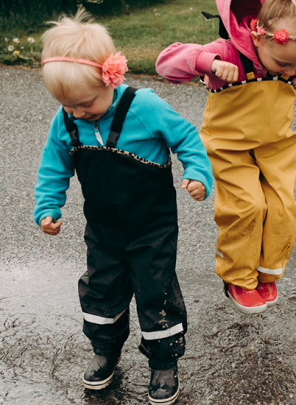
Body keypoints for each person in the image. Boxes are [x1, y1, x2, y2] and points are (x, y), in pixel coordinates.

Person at [34, 8, 213, 404]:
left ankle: (163, 361)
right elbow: (54, 165)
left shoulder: (144, 107)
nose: (78, 113)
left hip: (153, 229)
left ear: (109, 78)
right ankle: (105, 349)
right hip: (103, 229)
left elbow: (187, 138)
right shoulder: (66, 120)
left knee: (156, 293)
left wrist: (198, 174)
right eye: (69, 106)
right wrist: (48, 206)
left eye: (85, 104)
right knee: (100, 292)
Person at [156, 0, 296, 314]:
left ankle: (267, 271)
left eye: (295, 66)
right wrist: (209, 64)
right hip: (229, 148)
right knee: (247, 207)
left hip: (275, 148)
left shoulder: (291, 56)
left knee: (285, 211)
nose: (290, 72)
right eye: (283, 65)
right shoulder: (227, 52)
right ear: (258, 37)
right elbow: (166, 63)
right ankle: (238, 277)